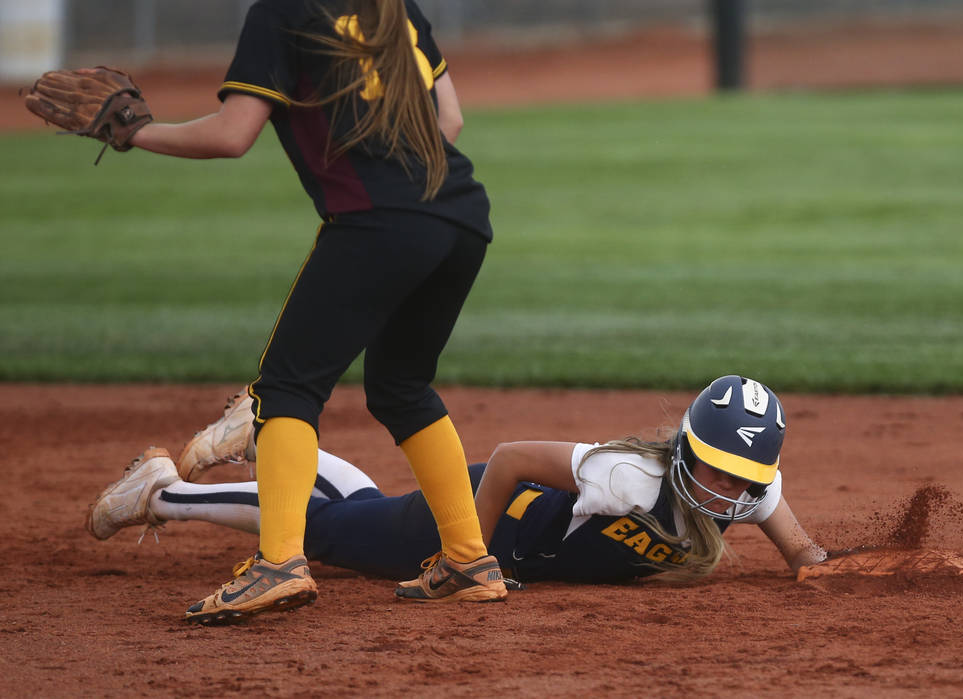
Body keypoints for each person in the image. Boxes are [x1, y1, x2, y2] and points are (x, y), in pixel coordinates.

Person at [118, 0, 506, 621]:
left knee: (285, 389)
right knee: (402, 387)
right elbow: (450, 119)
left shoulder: (283, 11)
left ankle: (279, 564)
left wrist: (133, 133)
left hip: (377, 223)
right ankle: (467, 557)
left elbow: (232, 134)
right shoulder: (393, 6)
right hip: (461, 216)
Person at [86, 376, 827, 614]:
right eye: (718, 468)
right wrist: (460, 551)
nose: (729, 489)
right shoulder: (632, 478)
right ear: (688, 451)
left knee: (362, 506)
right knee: (329, 534)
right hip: (483, 517)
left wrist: (826, 563)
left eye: (744, 477)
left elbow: (805, 553)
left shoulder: (750, 490)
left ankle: (267, 433)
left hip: (498, 537)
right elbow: (508, 458)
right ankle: (164, 491)